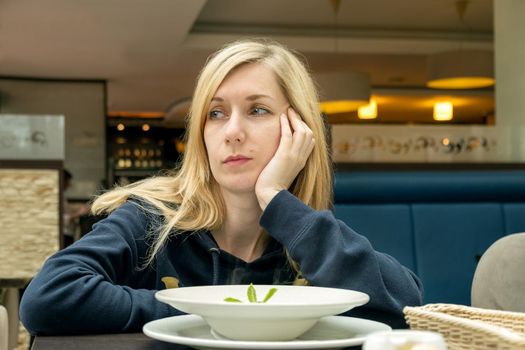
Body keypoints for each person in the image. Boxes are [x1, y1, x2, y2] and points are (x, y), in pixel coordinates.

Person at [19, 39, 422, 335]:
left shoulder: (306, 231)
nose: (232, 132)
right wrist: (209, 314)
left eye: (257, 110)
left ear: (298, 130)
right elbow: (47, 297)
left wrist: (277, 200)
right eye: (216, 113)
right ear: (202, 134)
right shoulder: (153, 218)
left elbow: (405, 308)